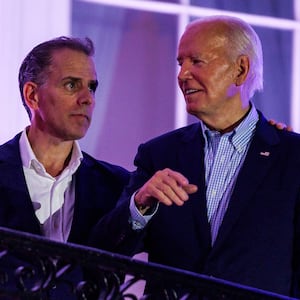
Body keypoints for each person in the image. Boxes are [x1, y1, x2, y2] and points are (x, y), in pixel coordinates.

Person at [89, 15, 300, 298]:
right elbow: (100, 255)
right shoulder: (158, 154)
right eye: (180, 63)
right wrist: (139, 206)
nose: (182, 74)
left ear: (240, 69)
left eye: (197, 61)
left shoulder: (292, 157)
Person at [0, 36, 129, 298]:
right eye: (72, 85)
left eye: (91, 87)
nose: (88, 99)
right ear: (32, 95)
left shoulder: (116, 185)